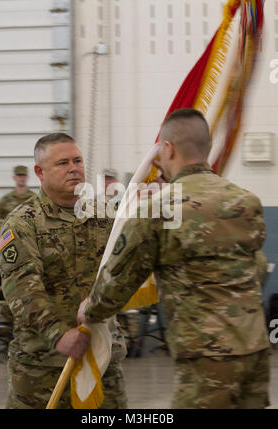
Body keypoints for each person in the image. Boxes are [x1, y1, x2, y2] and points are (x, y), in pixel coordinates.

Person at [78, 108, 270, 409]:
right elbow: (257, 267)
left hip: (207, 356)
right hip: (256, 349)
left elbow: (119, 277)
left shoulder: (160, 208)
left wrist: (90, 310)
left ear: (168, 148)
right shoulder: (245, 200)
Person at [0, 133, 127, 409]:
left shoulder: (106, 216)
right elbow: (23, 290)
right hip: (42, 369)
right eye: (63, 163)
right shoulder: (23, 224)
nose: (74, 168)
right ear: (39, 172)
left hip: (102, 361)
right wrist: (58, 335)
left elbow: (128, 265)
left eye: (78, 160)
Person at [0, 165, 35, 240]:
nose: (22, 178)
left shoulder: (34, 198)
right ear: (14, 177)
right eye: (19, 176)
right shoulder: (6, 199)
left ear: (27, 177)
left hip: (29, 238)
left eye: (24, 176)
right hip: (8, 237)